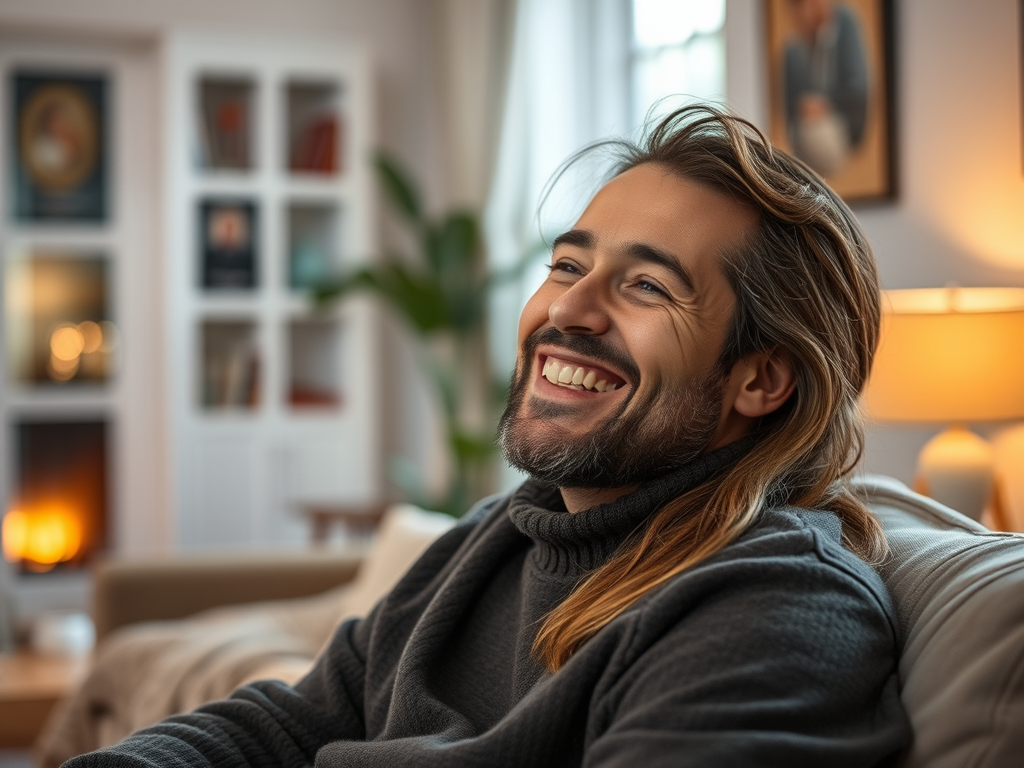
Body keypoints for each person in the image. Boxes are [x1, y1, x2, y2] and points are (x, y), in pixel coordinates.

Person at [64, 104, 910, 767]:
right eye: (569, 265)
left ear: (761, 378)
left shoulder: (776, 606)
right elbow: (291, 724)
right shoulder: (494, 539)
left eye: (648, 286)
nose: (566, 312)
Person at [783, 0, 870, 176]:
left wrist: (825, 103)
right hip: (811, 126)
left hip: (842, 124)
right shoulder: (797, 48)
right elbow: (793, 106)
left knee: (813, 134)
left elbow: (857, 88)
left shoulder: (844, 23)